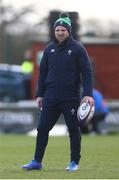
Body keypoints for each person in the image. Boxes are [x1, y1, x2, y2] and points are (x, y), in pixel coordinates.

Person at [21, 12, 94, 171]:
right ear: (54, 31)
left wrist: (88, 94)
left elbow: (87, 72)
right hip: (50, 97)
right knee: (42, 128)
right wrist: (40, 94)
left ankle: (74, 162)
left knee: (74, 130)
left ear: (69, 31)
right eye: (57, 30)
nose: (60, 33)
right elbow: (43, 73)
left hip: (71, 97)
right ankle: (37, 161)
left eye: (63, 30)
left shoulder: (78, 49)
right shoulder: (49, 49)